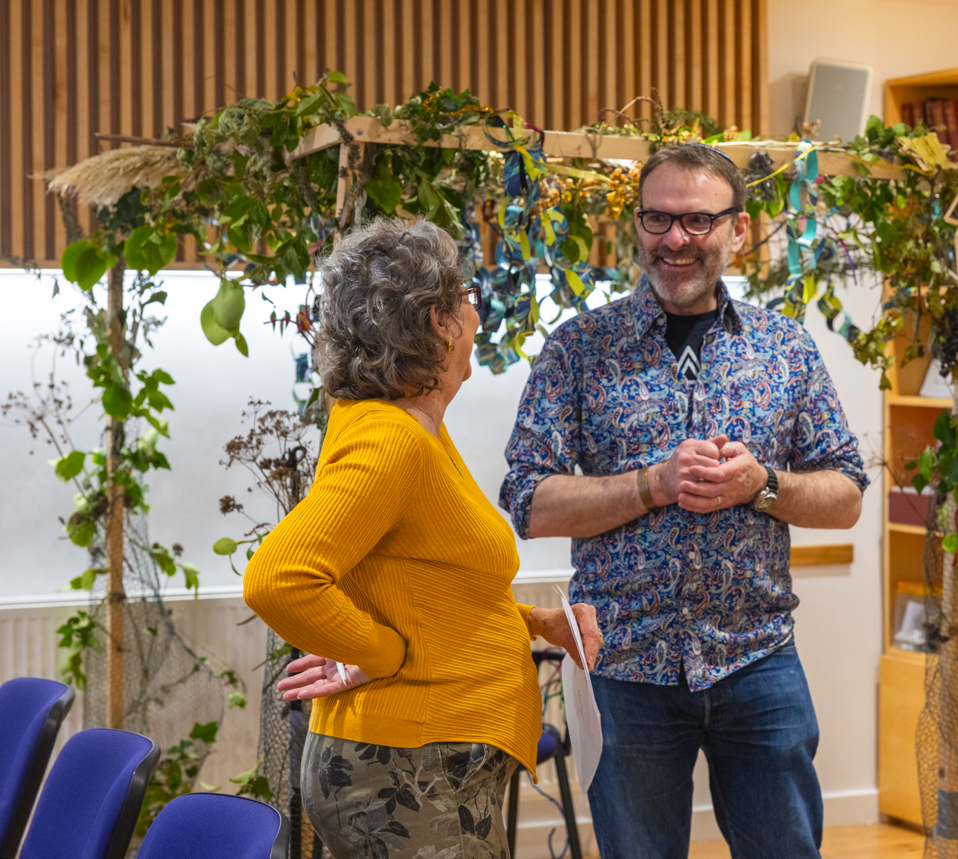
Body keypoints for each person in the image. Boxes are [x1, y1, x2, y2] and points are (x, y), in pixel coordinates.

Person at [499, 143, 869, 859]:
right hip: (623, 666)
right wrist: (653, 484)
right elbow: (528, 500)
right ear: (636, 224)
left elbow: (846, 493)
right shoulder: (579, 349)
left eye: (698, 220)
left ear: (739, 229)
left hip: (758, 658)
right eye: (658, 219)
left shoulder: (786, 349)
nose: (675, 239)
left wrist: (762, 485)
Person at [243, 217, 602, 859]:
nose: (476, 314)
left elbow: (425, 584)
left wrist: (533, 623)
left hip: (424, 762)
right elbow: (277, 578)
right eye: (467, 297)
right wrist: (378, 653)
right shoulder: (391, 440)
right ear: (440, 321)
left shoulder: (414, 430)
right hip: (410, 770)